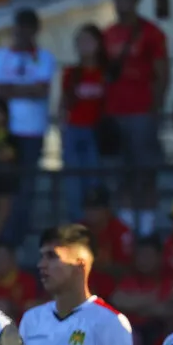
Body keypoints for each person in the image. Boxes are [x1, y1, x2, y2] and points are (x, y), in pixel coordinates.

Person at [103, 0, 169, 238]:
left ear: (136, 1)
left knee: (146, 172)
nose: (123, 3)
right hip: (114, 113)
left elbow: (162, 73)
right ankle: (127, 230)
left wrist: (156, 108)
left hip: (142, 112)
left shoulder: (152, 33)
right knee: (119, 174)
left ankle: (148, 228)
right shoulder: (107, 33)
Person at [0, 9, 55, 245]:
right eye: (20, 26)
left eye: (28, 27)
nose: (23, 32)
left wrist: (10, 89)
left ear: (36, 29)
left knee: (25, 188)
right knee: (1, 185)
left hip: (32, 131)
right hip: (2, 132)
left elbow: (42, 90)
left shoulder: (44, 57)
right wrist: (27, 89)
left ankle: (19, 240)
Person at [60, 25, 108, 222]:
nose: (84, 46)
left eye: (89, 41)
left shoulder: (105, 73)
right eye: (80, 41)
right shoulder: (71, 72)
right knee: (73, 182)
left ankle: (95, 221)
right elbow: (62, 104)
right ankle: (76, 223)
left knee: (94, 179)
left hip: (97, 132)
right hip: (74, 130)